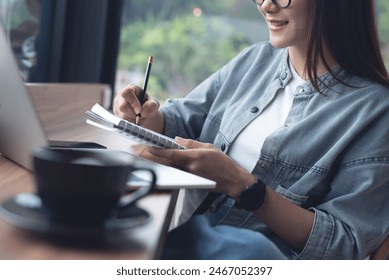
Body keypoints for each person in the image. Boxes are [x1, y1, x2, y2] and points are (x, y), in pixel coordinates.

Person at [113, 0, 389, 259]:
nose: (267, 5)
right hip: (187, 241)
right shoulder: (254, 61)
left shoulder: (375, 110)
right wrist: (146, 115)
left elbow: (346, 245)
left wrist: (241, 185)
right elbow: (183, 120)